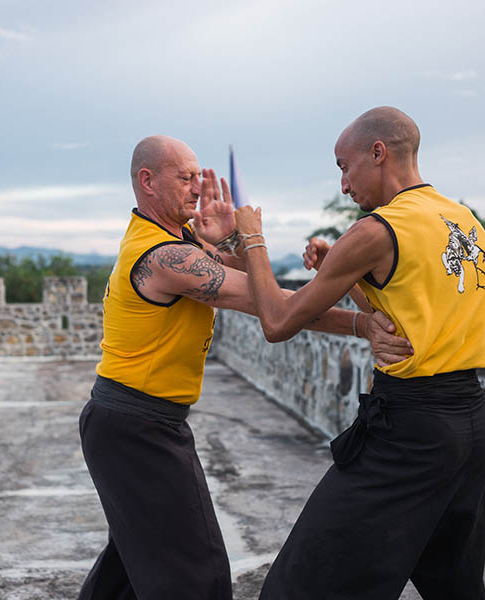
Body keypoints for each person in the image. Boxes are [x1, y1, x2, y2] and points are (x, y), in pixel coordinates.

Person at [77, 134, 413, 600]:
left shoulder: (177, 242)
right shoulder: (164, 256)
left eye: (199, 176)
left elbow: (247, 279)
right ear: (147, 181)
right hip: (137, 430)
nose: (196, 187)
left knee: (133, 567)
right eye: (184, 177)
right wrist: (360, 323)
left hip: (130, 425)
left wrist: (229, 241)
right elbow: (270, 303)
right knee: (198, 573)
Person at [234, 106, 485, 599]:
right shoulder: (467, 224)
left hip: (409, 428)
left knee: (300, 584)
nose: (344, 186)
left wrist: (253, 239)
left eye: (343, 166)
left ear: (378, 153)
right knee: (453, 585)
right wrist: (342, 267)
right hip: (470, 424)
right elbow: (394, 319)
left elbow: (276, 322)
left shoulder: (377, 230)